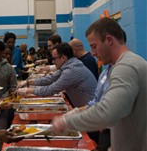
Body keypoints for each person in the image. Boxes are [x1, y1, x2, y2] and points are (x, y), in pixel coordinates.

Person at [51, 18, 147, 151]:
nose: (93, 53)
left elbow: (108, 112)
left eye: (94, 46)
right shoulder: (117, 67)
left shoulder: (126, 67)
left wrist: (66, 122)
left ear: (109, 40)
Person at [17, 42, 97, 107]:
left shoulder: (71, 70)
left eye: (54, 59)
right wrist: (28, 82)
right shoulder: (68, 65)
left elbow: (51, 89)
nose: (52, 62)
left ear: (63, 58)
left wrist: (28, 90)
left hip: (91, 111)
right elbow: (50, 78)